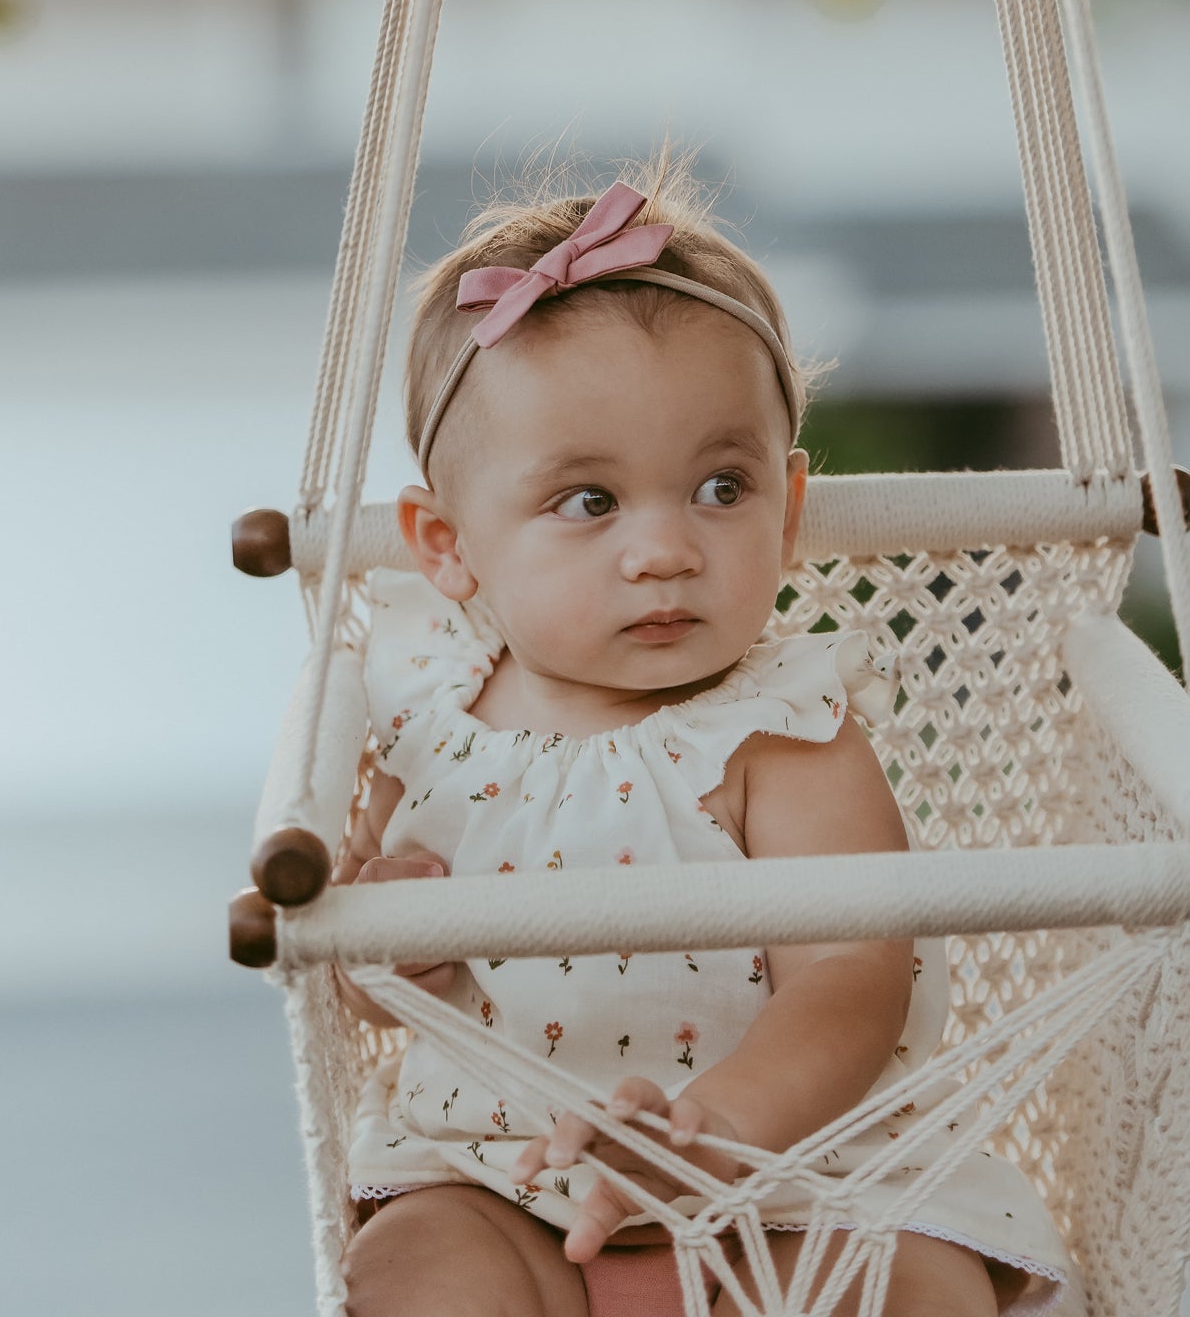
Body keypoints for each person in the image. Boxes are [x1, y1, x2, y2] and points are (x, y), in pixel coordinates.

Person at [337, 166, 1072, 1316]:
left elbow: (851, 973)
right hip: (502, 1177)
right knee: (415, 1272)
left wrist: (722, 1130)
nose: (666, 548)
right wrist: (388, 961)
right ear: (446, 540)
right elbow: (371, 993)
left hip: (796, 1189)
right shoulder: (422, 712)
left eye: (720, 487)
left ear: (787, 511)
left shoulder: (783, 728)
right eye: (589, 500)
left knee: (914, 1288)